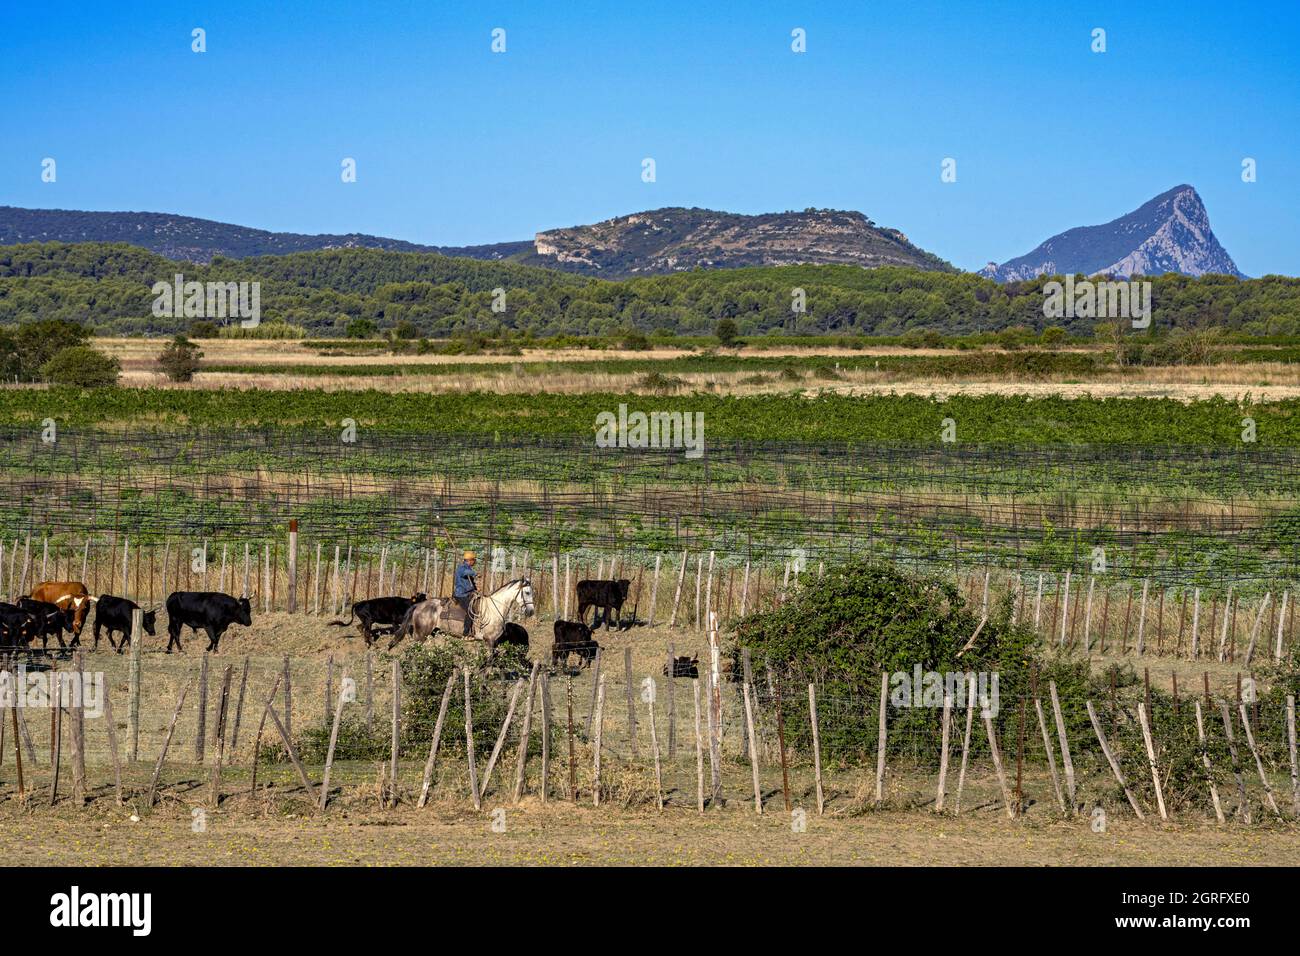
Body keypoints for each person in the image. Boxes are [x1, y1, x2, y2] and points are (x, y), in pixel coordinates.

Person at [453, 550, 477, 636]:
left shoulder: (468, 568)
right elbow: (465, 573)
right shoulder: (462, 568)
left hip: (468, 593)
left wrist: (475, 589)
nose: (475, 562)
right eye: (474, 560)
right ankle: (465, 633)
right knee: (471, 611)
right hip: (461, 594)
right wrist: (475, 573)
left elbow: (469, 582)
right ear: (469, 560)